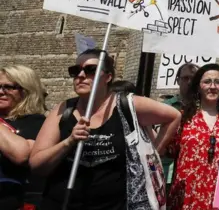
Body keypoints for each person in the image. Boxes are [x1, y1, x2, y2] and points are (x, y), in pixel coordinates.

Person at [30, 49, 181, 210]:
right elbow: (37, 164)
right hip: (63, 203)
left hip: (114, 205)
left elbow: (173, 116)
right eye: (75, 70)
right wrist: (69, 142)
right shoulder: (63, 109)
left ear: (108, 77)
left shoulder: (127, 104)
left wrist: (151, 159)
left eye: (91, 70)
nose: (81, 75)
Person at [165, 63, 219, 210]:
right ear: (198, 86)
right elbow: (168, 150)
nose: (212, 86)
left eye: (218, 82)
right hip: (186, 196)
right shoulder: (183, 118)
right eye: (207, 81)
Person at [0, 65, 47, 210]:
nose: (1, 92)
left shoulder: (36, 122)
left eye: (8, 87)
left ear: (27, 90)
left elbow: (21, 155)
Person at [162, 63, 199, 190]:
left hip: (191, 175)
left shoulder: (204, 110)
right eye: (185, 78)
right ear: (178, 80)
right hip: (166, 172)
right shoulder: (165, 107)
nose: (189, 82)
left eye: (193, 79)